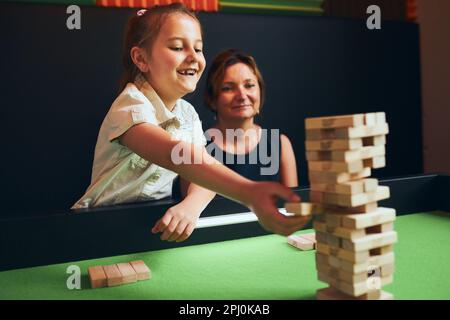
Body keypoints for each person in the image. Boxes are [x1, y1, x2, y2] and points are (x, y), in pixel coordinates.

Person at [72, 4, 309, 242]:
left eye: (198, 48)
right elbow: (178, 155)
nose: (194, 57)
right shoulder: (129, 104)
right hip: (96, 227)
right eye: (177, 47)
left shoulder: (188, 114)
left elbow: (202, 174)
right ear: (141, 59)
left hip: (147, 226)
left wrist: (191, 207)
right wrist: (248, 191)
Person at [204, 49, 298, 187]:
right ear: (212, 99)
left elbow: (291, 206)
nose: (242, 95)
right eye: (228, 88)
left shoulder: (280, 144)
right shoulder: (197, 148)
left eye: (249, 85)